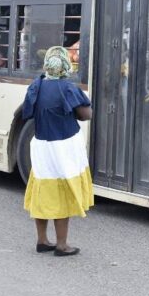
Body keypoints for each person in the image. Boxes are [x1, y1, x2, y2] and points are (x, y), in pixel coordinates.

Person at [21, 46, 93, 256]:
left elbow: (27, 112)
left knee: (44, 190)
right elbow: (85, 114)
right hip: (63, 147)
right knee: (63, 191)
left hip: (42, 146)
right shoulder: (67, 88)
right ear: (65, 66)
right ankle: (62, 244)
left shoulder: (37, 85)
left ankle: (42, 240)